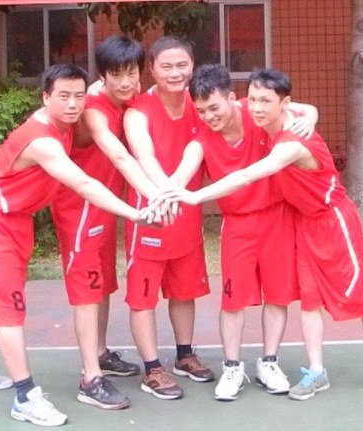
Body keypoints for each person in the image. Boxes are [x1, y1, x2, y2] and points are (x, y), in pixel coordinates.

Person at [172, 67, 363, 401]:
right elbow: (187, 165)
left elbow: (251, 173)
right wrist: (167, 194)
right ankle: (314, 371)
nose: (257, 107)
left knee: (360, 297)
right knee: (308, 301)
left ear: (283, 103)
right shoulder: (254, 122)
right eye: (253, 99)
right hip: (298, 222)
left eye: (265, 101)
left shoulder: (291, 140)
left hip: (332, 219)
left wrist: (195, 197)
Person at [0, 64, 161, 427]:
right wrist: (134, 213)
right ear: (45, 97)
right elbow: (84, 184)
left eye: (78, 96)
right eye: (63, 96)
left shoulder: (72, 114)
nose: (73, 104)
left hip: (19, 219)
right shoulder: (43, 141)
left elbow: (99, 87)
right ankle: (25, 397)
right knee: (10, 309)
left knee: (0, 298)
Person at [171, 63, 318, 401]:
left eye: (214, 108)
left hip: (277, 217)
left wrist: (311, 115)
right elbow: (181, 173)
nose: (208, 116)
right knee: (233, 299)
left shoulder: (257, 112)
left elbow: (302, 108)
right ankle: (232, 367)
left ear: (232, 98)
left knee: (277, 294)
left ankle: (269, 362)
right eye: (201, 111)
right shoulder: (201, 141)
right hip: (237, 224)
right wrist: (169, 193)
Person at [50, 36, 162, 410]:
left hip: (106, 206)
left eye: (132, 73)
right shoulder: (94, 109)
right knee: (86, 291)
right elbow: (119, 155)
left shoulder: (129, 96)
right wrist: (156, 196)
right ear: (103, 75)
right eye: (117, 75)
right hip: (80, 208)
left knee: (102, 285)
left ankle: (100, 352)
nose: (126, 82)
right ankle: (90, 378)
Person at [123, 36, 214, 401]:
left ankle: (184, 355)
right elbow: (144, 156)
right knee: (142, 298)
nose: (175, 73)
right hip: (151, 216)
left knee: (184, 291)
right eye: (166, 66)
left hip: (186, 214)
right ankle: (152, 368)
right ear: (152, 69)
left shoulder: (201, 104)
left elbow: (200, 148)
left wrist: (309, 113)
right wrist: (164, 194)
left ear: (192, 65)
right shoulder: (137, 111)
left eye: (182, 65)